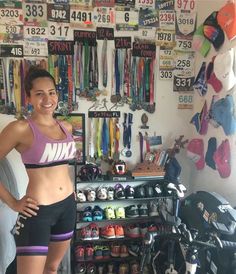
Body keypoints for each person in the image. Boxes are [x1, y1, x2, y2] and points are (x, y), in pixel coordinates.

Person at [0, 66, 77, 274]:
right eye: (39, 94)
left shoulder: (66, 128)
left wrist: (70, 190)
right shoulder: (21, 129)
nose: (47, 99)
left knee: (51, 269)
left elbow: (63, 167)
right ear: (29, 98)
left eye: (51, 92)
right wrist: (14, 203)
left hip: (67, 207)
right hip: (38, 212)